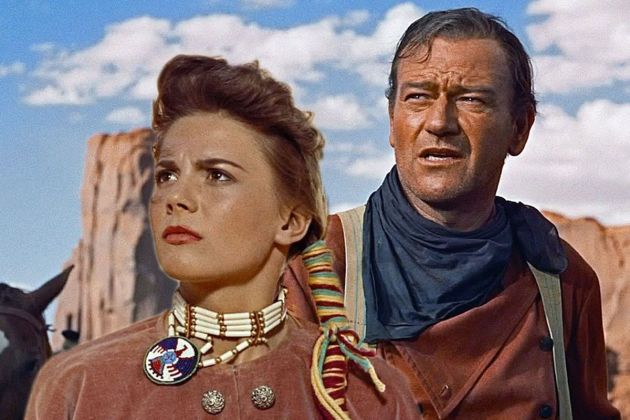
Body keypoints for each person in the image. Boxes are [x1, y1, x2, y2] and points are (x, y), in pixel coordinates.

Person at [25, 55, 417, 419]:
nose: (175, 197)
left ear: (291, 221)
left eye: (217, 175)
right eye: (167, 175)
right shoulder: (81, 385)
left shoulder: (369, 394)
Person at [284, 8, 620, 419]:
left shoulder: (560, 280)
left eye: (471, 99)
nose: (439, 122)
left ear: (520, 128)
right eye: (418, 97)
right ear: (392, 120)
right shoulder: (318, 265)